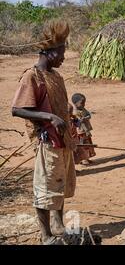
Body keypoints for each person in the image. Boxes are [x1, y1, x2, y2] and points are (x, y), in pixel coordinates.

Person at [11, 20, 76, 245]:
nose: (64, 58)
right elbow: (17, 109)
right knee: (45, 189)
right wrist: (49, 117)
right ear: (49, 53)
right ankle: (46, 234)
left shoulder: (56, 76)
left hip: (63, 141)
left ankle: (58, 226)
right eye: (61, 53)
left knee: (59, 185)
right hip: (47, 142)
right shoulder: (32, 76)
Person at [71, 93, 96, 166]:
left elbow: (89, 115)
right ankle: (83, 159)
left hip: (86, 131)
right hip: (81, 132)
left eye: (84, 103)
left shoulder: (83, 109)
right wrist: (86, 130)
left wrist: (86, 118)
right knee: (83, 145)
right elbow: (80, 123)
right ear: (75, 104)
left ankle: (87, 158)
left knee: (88, 144)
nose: (84, 104)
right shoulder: (75, 112)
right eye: (82, 103)